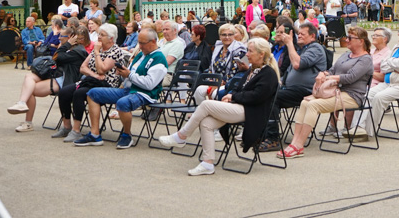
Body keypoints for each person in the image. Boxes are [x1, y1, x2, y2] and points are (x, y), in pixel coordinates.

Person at [160, 38, 280, 176]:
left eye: (250, 51)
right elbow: (240, 89)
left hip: (251, 112)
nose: (246, 54)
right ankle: (207, 163)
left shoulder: (268, 73)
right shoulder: (253, 70)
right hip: (239, 107)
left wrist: (233, 97)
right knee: (206, 123)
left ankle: (181, 136)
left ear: (261, 54)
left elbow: (257, 96)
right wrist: (232, 96)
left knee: (205, 104)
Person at [278, 26, 374, 158]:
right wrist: (323, 73)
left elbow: (351, 77)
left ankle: (299, 145)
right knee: (305, 102)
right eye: (347, 37)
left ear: (361, 41)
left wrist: (329, 77)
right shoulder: (346, 55)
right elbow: (333, 70)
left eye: (350, 38)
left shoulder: (365, 59)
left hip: (352, 96)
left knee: (313, 105)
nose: (346, 40)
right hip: (336, 91)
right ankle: (294, 143)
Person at [76, 27, 168, 148]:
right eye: (138, 42)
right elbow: (132, 74)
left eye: (142, 43)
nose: (139, 46)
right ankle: (94, 134)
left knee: (123, 102)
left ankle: (127, 135)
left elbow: (150, 84)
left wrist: (129, 74)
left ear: (153, 42)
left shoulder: (159, 59)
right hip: (129, 89)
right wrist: (124, 74)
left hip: (146, 94)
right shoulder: (141, 54)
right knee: (92, 93)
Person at [7, 26, 90, 132]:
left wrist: (67, 44)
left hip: (65, 81)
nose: (59, 38)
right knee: (29, 76)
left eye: (62, 36)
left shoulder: (78, 51)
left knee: (30, 90)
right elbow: (57, 57)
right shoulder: (69, 48)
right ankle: (22, 103)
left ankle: (28, 123)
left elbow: (58, 57)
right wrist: (66, 45)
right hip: (57, 75)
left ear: (70, 37)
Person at [259, 22, 326, 152]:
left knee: (273, 97)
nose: (298, 36)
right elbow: (289, 71)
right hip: (290, 89)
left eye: (302, 34)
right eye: (298, 33)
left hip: (306, 91)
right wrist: (279, 82)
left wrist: (289, 44)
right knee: (263, 92)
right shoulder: (301, 50)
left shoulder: (316, 48)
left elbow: (297, 64)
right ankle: (261, 133)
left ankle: (273, 138)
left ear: (312, 36)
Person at [53, 24, 126, 142]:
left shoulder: (115, 51)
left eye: (102, 35)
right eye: (99, 34)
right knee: (64, 92)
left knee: (79, 93)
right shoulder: (99, 49)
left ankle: (76, 130)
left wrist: (96, 52)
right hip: (91, 81)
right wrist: (94, 75)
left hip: (106, 85)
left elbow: (102, 69)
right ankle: (67, 126)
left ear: (111, 38)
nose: (99, 37)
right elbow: (83, 68)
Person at [358, 23, 399, 140]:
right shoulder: (397, 47)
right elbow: (384, 66)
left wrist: (394, 64)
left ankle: (367, 132)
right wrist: (396, 65)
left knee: (379, 97)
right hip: (388, 84)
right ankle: (357, 127)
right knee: (365, 95)